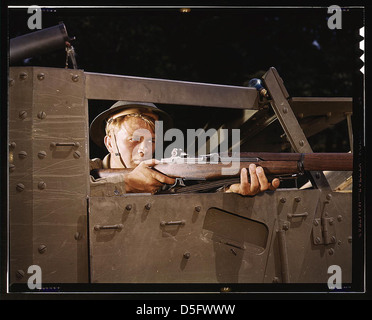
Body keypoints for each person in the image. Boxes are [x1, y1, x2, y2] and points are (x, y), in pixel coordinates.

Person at [89, 101, 280, 196]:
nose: (144, 149)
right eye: (134, 139)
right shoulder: (84, 172)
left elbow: (197, 198)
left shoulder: (164, 171)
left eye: (151, 140)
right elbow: (66, 197)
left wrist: (231, 193)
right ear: (110, 143)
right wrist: (126, 183)